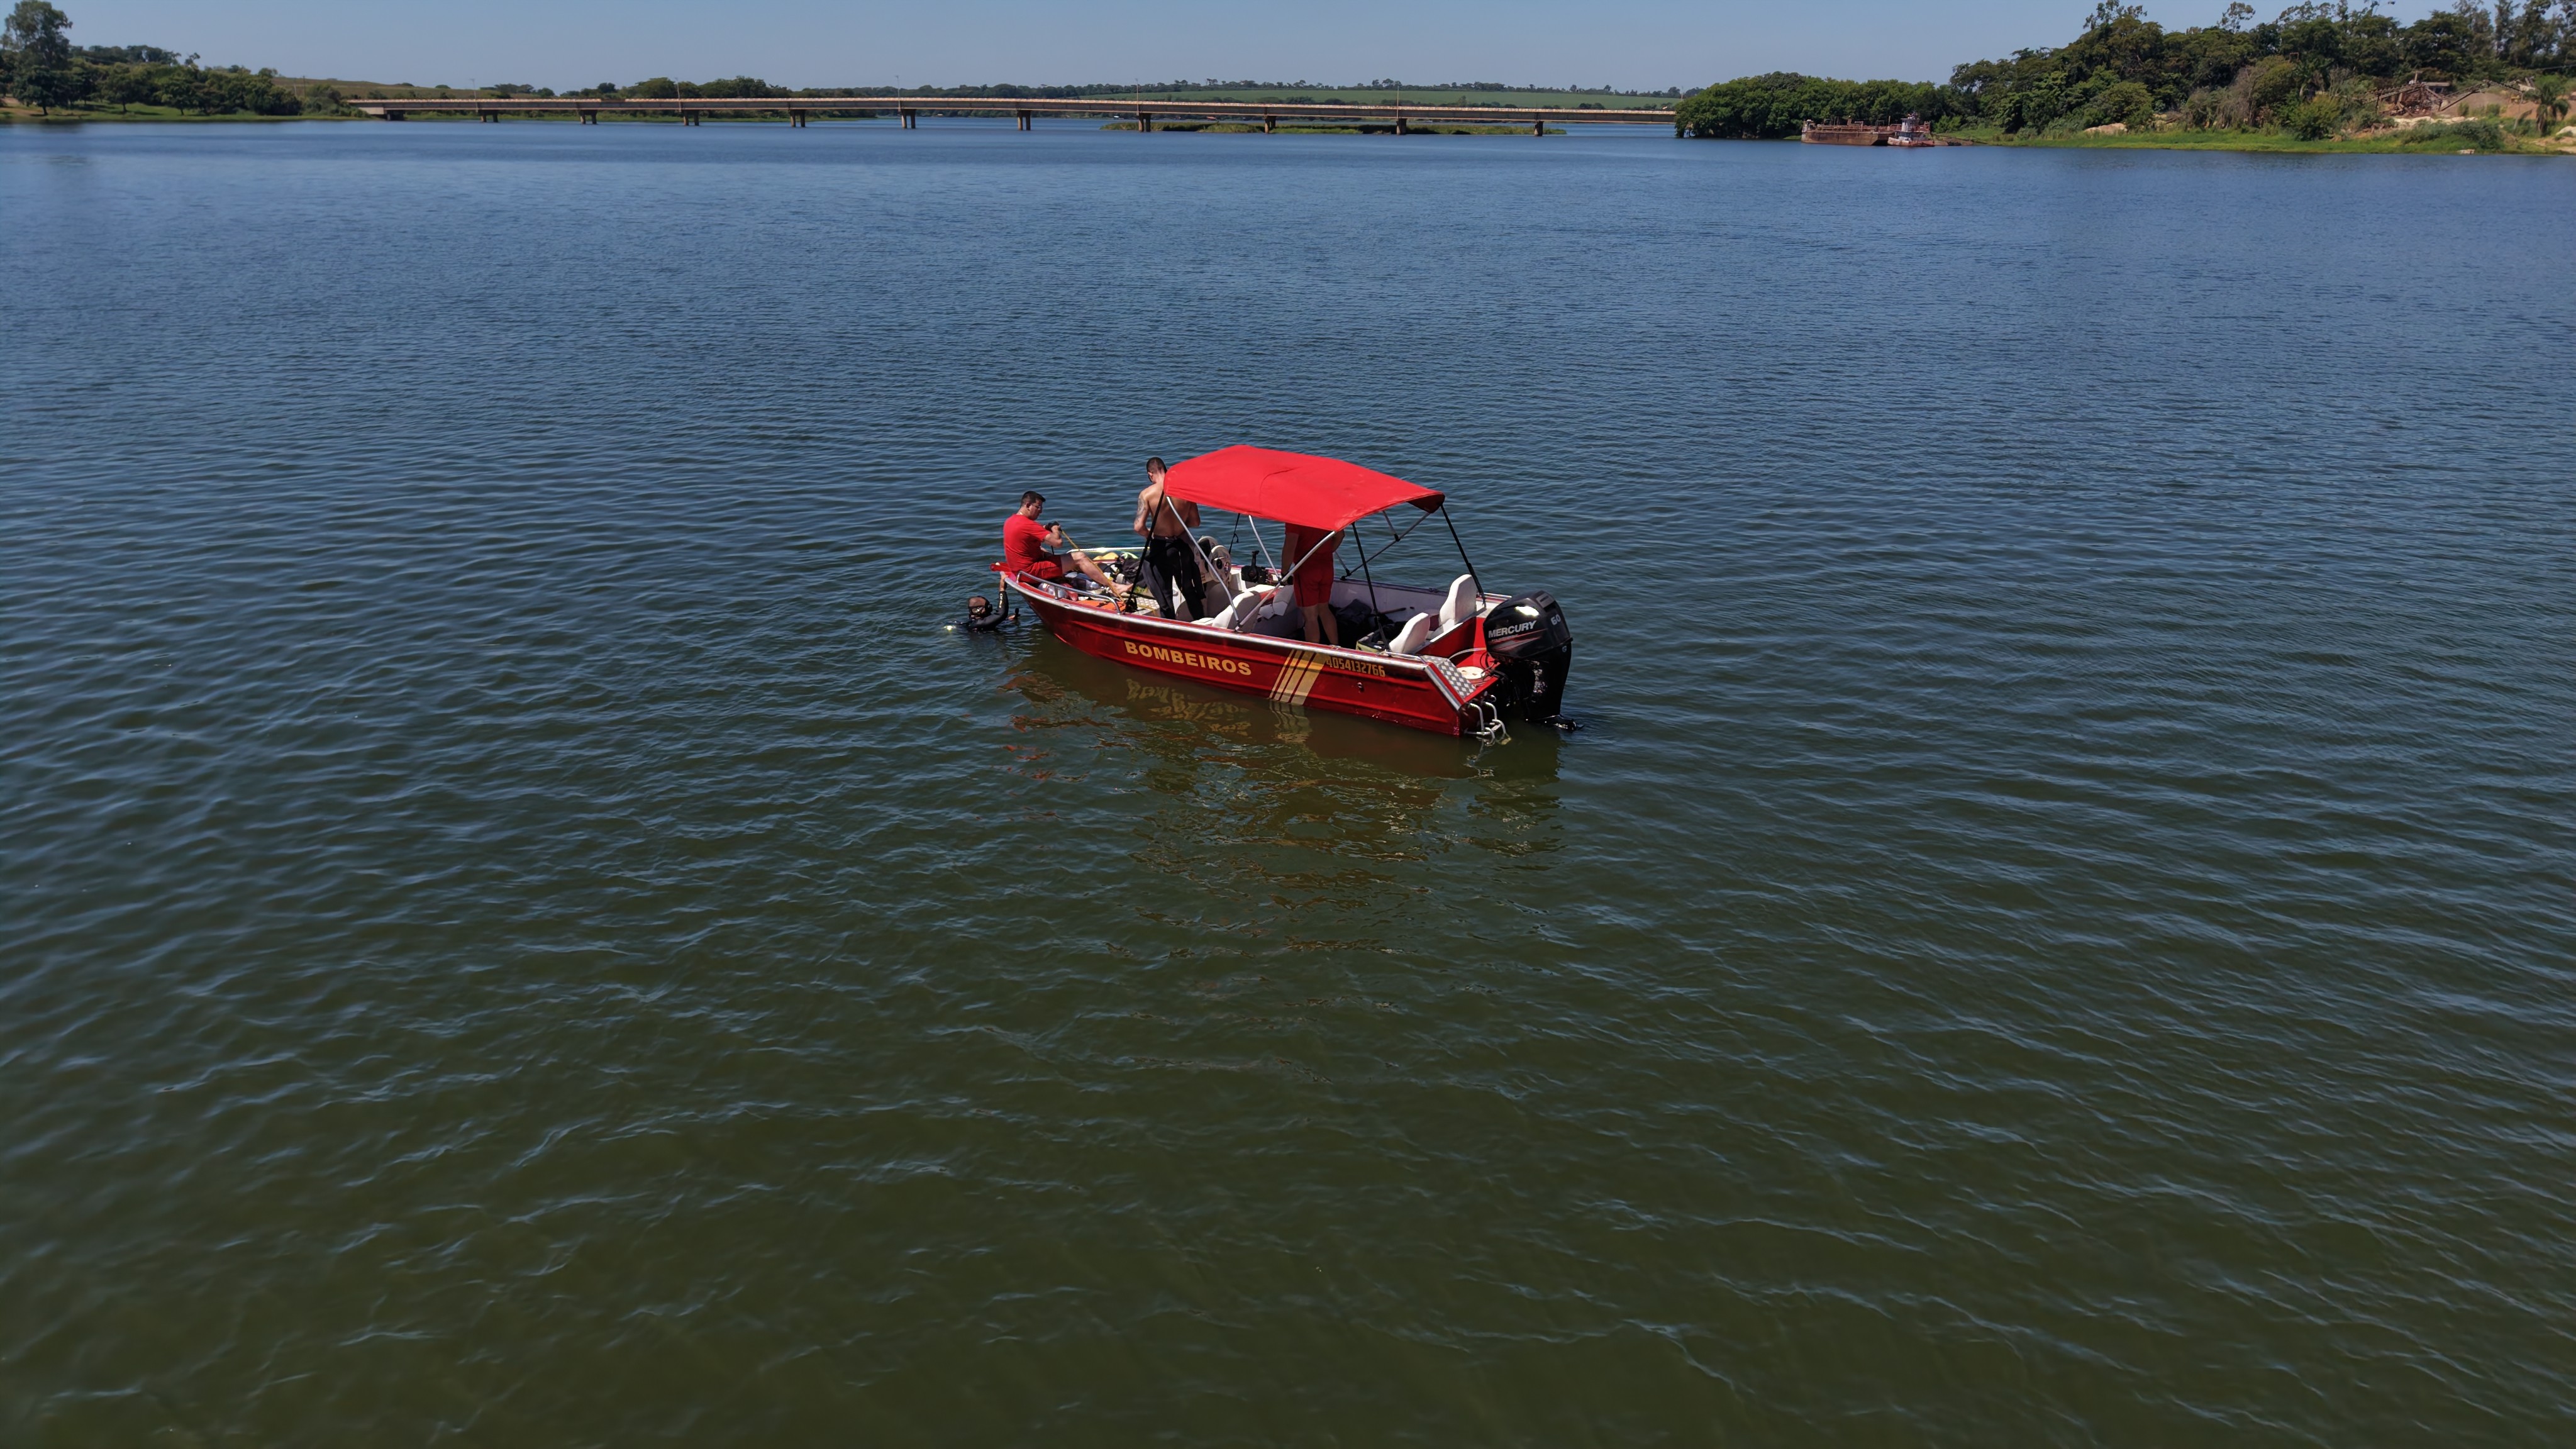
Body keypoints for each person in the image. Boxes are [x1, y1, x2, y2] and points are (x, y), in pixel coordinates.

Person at [1131, 456, 1214, 621]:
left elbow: (1138, 527)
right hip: (1182, 548)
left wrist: (1151, 535)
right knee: (1189, 591)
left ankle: (1170, 630)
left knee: (1166, 596)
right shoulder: (1184, 490)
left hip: (1162, 548)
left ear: (1150, 474)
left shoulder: (1147, 494)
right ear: (1166, 470)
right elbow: (1196, 522)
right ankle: (1203, 623)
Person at [1002, 491, 1128, 598]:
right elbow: (1058, 543)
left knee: (1048, 553)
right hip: (1031, 572)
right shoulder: (1027, 524)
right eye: (1038, 507)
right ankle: (1114, 587)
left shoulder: (1010, 521)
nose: (1041, 511)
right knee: (1079, 557)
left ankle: (1089, 575)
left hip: (1020, 571)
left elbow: (1032, 534)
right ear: (1028, 505)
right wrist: (1055, 529)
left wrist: (1046, 528)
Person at [1280, 521, 1343, 645]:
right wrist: (1328, 551)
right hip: (1327, 566)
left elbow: (1290, 545)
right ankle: (1336, 646)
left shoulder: (1295, 518)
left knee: (1310, 616)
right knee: (1324, 610)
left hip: (1307, 569)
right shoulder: (1325, 512)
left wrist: (1284, 572)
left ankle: (1313, 652)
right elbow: (1340, 535)